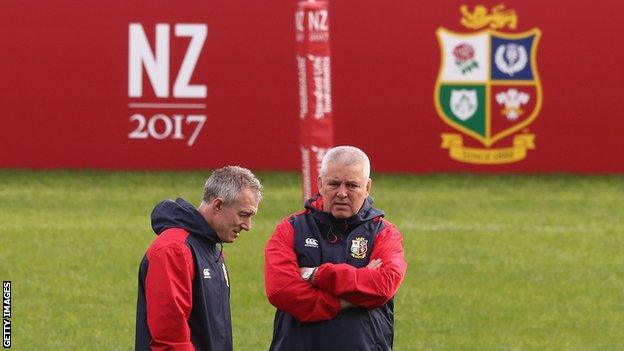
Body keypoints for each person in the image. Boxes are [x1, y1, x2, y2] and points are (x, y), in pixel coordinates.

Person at [264, 146, 407, 350]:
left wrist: (318, 275)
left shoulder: (384, 233)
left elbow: (383, 285)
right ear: (320, 184)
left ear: (367, 188)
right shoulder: (291, 228)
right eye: (334, 184)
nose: (342, 193)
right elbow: (282, 290)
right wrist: (346, 299)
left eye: (352, 185)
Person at [135, 166, 262, 351]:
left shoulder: (211, 249)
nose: (247, 226)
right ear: (218, 205)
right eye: (243, 214)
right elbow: (170, 339)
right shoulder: (174, 249)